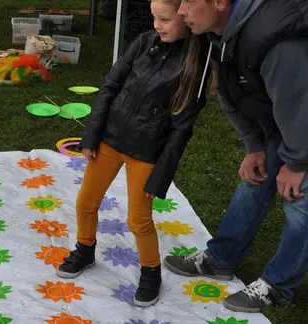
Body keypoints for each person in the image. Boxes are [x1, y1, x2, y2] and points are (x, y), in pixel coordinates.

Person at [56, 0, 210, 307]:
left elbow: (182, 129)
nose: (156, 24)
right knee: (86, 202)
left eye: (164, 19)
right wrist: (92, 135)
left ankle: (151, 272)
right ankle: (85, 249)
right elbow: (110, 86)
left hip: (146, 153)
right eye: (154, 16)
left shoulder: (195, 66)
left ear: (185, 16)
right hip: (110, 141)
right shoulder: (144, 43)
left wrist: (160, 177)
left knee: (138, 220)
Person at [164, 0, 308, 313]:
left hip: (302, 119)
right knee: (254, 183)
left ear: (219, 2)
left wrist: (296, 163)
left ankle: (278, 286)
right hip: (285, 122)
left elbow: (299, 105)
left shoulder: (274, 39)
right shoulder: (221, 33)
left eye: (188, 1)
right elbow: (229, 94)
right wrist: (253, 144)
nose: (181, 12)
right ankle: (220, 259)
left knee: (301, 203)